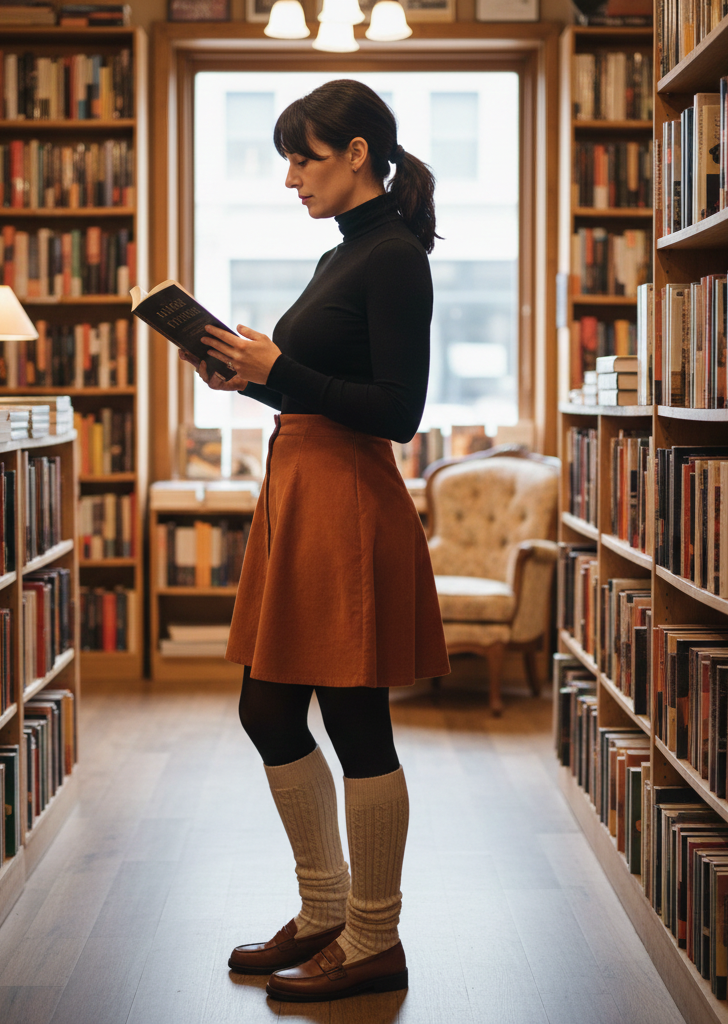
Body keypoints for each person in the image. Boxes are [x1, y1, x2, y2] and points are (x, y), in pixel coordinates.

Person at [181, 78, 450, 1003]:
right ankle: (327, 908)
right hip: (300, 490)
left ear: (358, 154)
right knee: (267, 711)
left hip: (345, 502)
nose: (292, 178)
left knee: (355, 721)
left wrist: (282, 368)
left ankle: (375, 935)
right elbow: (318, 383)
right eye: (288, 160)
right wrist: (248, 380)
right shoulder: (345, 253)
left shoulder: (393, 257)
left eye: (304, 158)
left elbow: (400, 412)